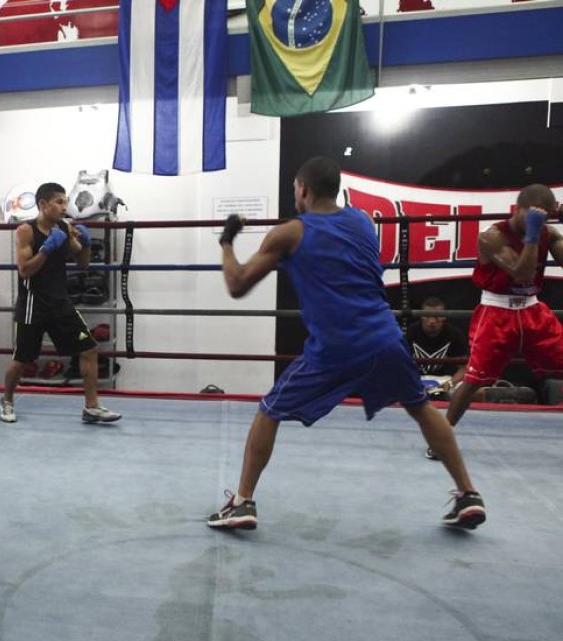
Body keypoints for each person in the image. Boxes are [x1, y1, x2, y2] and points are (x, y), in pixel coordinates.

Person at [206, 156, 487, 532]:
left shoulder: (289, 233)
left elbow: (237, 284)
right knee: (420, 408)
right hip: (387, 337)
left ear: (302, 189)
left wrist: (227, 241)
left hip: (337, 346)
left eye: (295, 189)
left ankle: (242, 503)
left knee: (269, 410)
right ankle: (468, 493)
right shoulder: (363, 222)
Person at [442, 185, 563, 431]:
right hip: (496, 314)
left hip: (533, 311)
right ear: (516, 209)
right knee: (474, 380)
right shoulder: (491, 237)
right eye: (530, 217)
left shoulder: (548, 233)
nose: (537, 223)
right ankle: (441, 436)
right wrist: (532, 234)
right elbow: (522, 274)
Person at [0, 182, 121, 424]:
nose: (65, 207)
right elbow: (24, 271)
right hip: (33, 303)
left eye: (65, 202)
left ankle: (91, 407)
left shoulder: (64, 227)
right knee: (22, 358)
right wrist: (46, 249)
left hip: (60, 302)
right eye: (59, 202)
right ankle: (7, 400)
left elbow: (83, 264)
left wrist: (84, 244)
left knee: (89, 348)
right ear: (43, 204)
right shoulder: (26, 231)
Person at [406, 296, 470, 397]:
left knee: (474, 393)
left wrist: (451, 382)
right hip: (416, 380)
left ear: (444, 316)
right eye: (427, 316)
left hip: (445, 380)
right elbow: (400, 364)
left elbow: (464, 368)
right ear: (421, 316)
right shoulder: (411, 332)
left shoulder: (453, 334)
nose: (432, 321)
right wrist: (411, 381)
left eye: (437, 316)